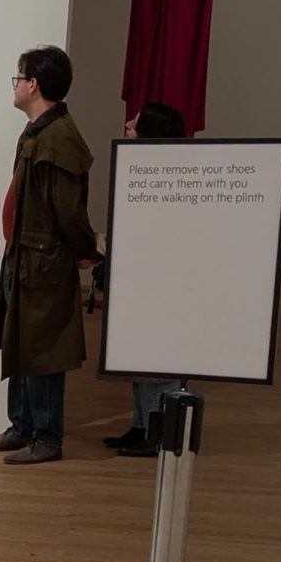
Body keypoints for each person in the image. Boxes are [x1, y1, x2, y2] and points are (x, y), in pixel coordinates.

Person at [0, 45, 96, 465]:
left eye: (18, 77)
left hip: (42, 261)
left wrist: (86, 251)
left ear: (34, 84)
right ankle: (23, 426)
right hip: (25, 257)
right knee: (23, 341)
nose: (15, 85)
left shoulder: (58, 139)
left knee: (43, 349)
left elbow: (67, 209)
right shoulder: (41, 132)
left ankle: (46, 436)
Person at [103, 100, 187, 458]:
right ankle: (140, 425)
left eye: (135, 125)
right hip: (140, 277)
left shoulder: (172, 178)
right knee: (138, 359)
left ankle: (157, 432)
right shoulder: (141, 171)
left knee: (159, 362)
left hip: (162, 282)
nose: (127, 126)